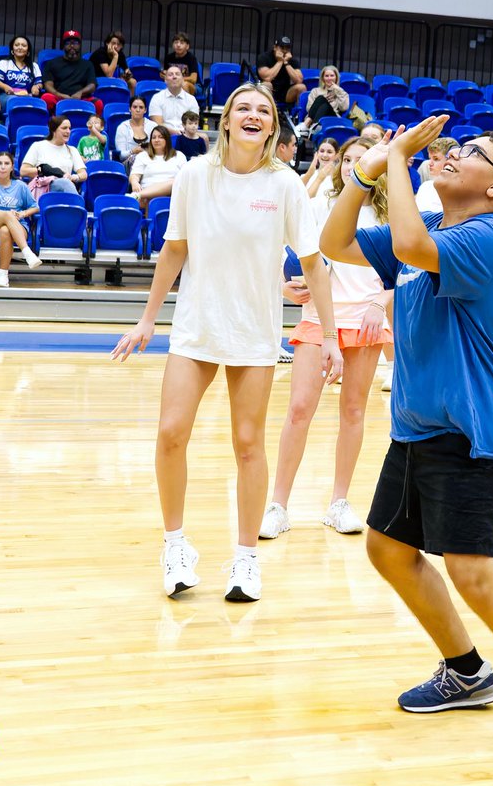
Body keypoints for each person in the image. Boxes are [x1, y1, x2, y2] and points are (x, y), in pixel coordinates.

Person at [319, 116, 493, 772]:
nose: (453, 153)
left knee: (474, 572)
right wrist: (367, 171)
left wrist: (402, 161)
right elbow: (334, 240)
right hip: (415, 428)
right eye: (454, 146)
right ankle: (466, 671)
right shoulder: (435, 231)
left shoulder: (487, 238)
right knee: (388, 549)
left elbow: (408, 243)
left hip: (473, 433)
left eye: (469, 154)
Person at [111, 82, 341, 604]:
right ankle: (175, 546)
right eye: (244, 108)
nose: (253, 115)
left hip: (254, 331)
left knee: (247, 444)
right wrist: (148, 320)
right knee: (170, 432)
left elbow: (313, 265)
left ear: (273, 125)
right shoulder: (195, 175)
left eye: (264, 109)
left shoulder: (284, 185)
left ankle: (245, 557)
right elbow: (173, 252)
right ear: (228, 120)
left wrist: (329, 336)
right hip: (196, 327)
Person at [262, 137, 393, 540]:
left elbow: (406, 270)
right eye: (347, 159)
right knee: (299, 409)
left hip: (367, 321)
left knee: (354, 413)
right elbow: (275, 250)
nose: (353, 166)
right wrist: (284, 286)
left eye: (362, 159)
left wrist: (379, 303)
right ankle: (277, 505)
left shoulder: (390, 216)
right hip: (320, 318)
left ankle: (338, 503)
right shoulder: (319, 206)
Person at [0, 151, 42, 287]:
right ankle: (27, 252)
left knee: (5, 230)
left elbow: (35, 207)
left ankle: (3, 276)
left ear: (12, 167)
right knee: (6, 215)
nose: (3, 167)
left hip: (19, 226)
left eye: (6, 163)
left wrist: (22, 214)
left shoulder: (21, 186)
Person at [20, 116, 87, 194]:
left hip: (65, 187)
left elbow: (84, 174)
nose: (68, 131)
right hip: (43, 187)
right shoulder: (38, 146)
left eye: (69, 128)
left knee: (66, 183)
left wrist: (74, 177)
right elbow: (23, 171)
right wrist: (45, 171)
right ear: (53, 130)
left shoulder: (72, 150)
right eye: (64, 128)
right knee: (65, 183)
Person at [41, 30, 100, 115]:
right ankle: (53, 124)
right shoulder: (52, 63)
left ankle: (91, 126)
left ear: (79, 45)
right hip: (59, 98)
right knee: (46, 98)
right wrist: (59, 94)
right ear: (63, 46)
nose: (72, 46)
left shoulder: (88, 64)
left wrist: (80, 93)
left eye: (75, 43)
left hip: (81, 98)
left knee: (98, 104)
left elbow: (92, 85)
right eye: (68, 43)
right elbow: (47, 84)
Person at [129, 125, 186, 210]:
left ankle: (138, 195)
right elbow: (135, 175)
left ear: (167, 139)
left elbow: (184, 178)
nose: (156, 140)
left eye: (160, 137)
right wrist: (134, 182)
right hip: (147, 193)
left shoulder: (179, 156)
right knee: (152, 200)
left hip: (171, 195)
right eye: (153, 137)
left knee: (174, 182)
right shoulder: (142, 156)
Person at [0, 35, 43, 110]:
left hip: (27, 96)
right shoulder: (4, 63)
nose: (20, 47)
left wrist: (36, 87)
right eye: (17, 45)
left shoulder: (34, 66)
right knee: (14, 101)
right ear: (12, 49)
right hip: (7, 96)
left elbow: (39, 83)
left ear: (28, 51)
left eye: (24, 45)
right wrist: (5, 87)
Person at [148, 65, 200, 134]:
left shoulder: (191, 99)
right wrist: (175, 133)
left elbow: (194, 123)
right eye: (170, 74)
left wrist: (184, 134)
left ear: (182, 79)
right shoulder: (157, 98)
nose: (174, 77)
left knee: (204, 137)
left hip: (186, 135)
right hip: (164, 135)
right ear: (165, 80)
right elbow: (158, 124)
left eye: (177, 74)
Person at [256, 35, 306, 107]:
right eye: (282, 47)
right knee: (267, 84)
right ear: (275, 47)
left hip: (285, 92)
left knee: (301, 87)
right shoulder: (264, 57)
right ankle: (266, 111)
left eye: (287, 48)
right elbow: (267, 78)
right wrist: (279, 62)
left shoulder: (292, 60)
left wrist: (286, 63)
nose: (285, 51)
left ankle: (298, 116)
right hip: (269, 90)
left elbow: (298, 80)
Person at [415, 136, 458, 213]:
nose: (430, 163)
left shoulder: (462, 190)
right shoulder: (426, 186)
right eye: (429, 158)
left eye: (436, 159)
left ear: (451, 160)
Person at [90, 31, 136, 97]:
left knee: (132, 82)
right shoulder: (100, 53)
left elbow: (127, 71)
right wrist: (115, 56)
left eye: (119, 44)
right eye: (113, 43)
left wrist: (126, 75)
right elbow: (109, 75)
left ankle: (130, 104)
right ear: (107, 43)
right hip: (96, 81)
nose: (116, 46)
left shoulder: (120, 55)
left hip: (110, 79)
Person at [115, 95, 150, 168]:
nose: (138, 110)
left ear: (145, 110)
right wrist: (133, 151)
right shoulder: (122, 127)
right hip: (129, 162)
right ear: (130, 109)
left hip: (149, 160)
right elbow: (121, 155)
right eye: (135, 107)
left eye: (141, 107)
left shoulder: (153, 126)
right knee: (136, 160)